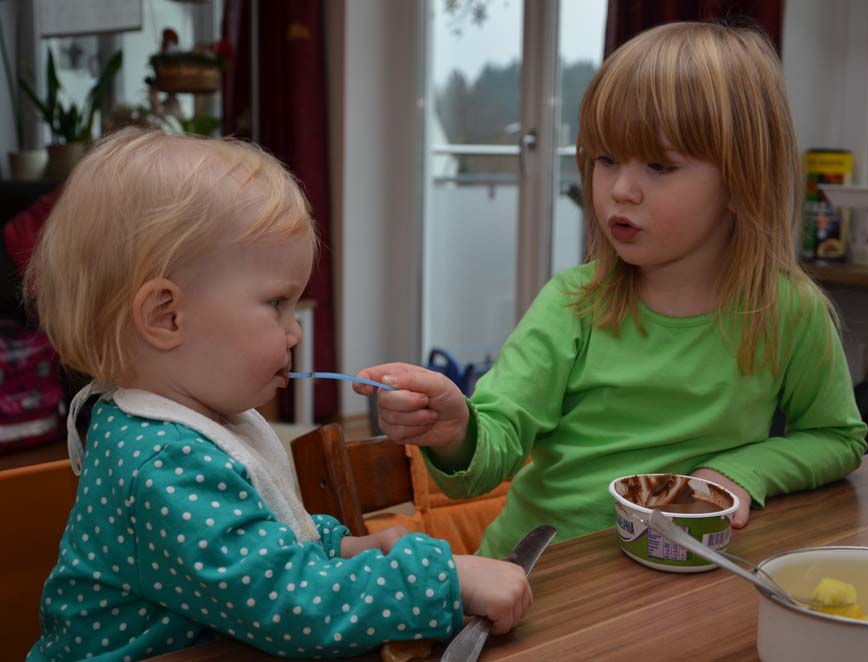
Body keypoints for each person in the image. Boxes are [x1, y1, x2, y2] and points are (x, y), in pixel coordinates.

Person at [355, 22, 868, 559]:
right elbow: (487, 458)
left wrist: (740, 472)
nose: (620, 189)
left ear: (742, 182)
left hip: (677, 581)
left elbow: (838, 438)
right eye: (606, 159)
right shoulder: (572, 304)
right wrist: (456, 430)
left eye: (659, 165)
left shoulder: (789, 310)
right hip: (533, 577)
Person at [24, 129, 531, 660]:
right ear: (166, 317)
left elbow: (264, 538)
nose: (296, 332)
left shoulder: (197, 424)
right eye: (276, 304)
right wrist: (443, 581)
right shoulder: (161, 462)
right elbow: (293, 606)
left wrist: (346, 546)